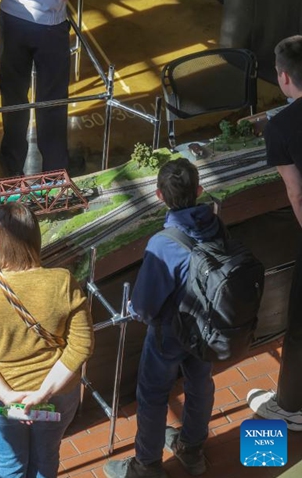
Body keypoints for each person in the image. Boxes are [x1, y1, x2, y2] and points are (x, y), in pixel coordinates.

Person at [0, 202, 94, 478]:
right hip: (58, 395)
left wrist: (7, 396)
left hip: (0, 399)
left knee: (9, 462)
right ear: (36, 238)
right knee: (45, 459)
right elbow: (82, 344)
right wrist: (43, 394)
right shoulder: (63, 282)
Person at [104, 158, 221, 478]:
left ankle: (147, 465)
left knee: (153, 395)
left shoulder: (162, 244)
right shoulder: (214, 223)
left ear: (158, 195)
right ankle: (192, 449)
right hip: (206, 325)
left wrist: (134, 310)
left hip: (170, 331)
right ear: (199, 190)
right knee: (200, 383)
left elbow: (143, 305)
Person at [0, 0, 84, 176]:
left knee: (13, 95)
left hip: (11, 18)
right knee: (52, 100)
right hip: (49, 26)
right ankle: (54, 172)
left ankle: (10, 167)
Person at [247, 35, 302, 431]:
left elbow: (296, 191)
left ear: (283, 77)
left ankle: (290, 406)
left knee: (299, 321)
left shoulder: (280, 128)